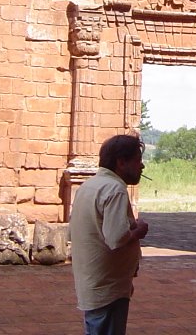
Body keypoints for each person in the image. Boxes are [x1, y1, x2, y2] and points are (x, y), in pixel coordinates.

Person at [70, 134, 149, 335]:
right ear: (121, 162)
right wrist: (138, 231)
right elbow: (116, 238)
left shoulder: (88, 186)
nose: (142, 166)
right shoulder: (115, 189)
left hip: (93, 283)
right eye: (137, 160)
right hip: (108, 288)